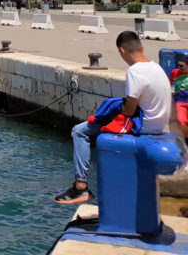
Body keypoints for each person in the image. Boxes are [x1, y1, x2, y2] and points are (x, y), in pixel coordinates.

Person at [54, 30, 172, 204]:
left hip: (143, 126)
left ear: (122, 51)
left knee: (79, 131)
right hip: (158, 124)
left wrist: (114, 109)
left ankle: (80, 186)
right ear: (142, 47)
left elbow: (129, 111)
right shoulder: (156, 67)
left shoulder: (135, 71)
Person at [170, 53, 188, 132]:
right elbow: (168, 85)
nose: (179, 68)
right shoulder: (175, 72)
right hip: (180, 102)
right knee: (181, 122)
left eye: (181, 66)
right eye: (178, 65)